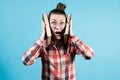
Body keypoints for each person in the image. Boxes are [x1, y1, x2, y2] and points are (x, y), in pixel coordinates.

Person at [22, 3, 94, 80]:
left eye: (62, 23)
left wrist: (72, 35)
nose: (58, 27)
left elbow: (89, 55)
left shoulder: (72, 43)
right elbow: (26, 61)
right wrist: (41, 37)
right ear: (48, 25)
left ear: (67, 25)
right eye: (53, 23)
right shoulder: (42, 45)